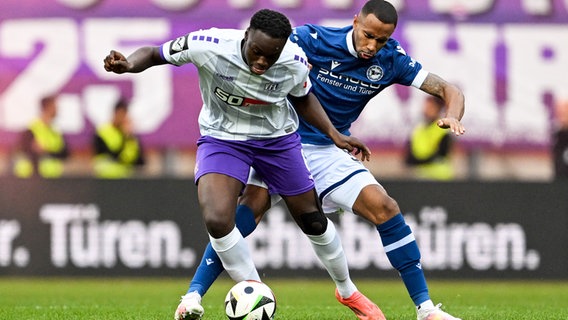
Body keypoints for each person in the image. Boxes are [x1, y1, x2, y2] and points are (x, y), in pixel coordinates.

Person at [182, 1, 466, 320]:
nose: (372, 45)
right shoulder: (312, 39)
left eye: (381, 40)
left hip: (329, 150)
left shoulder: (392, 60)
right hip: (279, 141)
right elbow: (256, 50)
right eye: (368, 35)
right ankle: (192, 295)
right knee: (243, 215)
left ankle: (425, 310)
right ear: (355, 21)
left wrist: (451, 115)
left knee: (385, 207)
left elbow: (447, 88)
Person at [102, 8, 377, 320]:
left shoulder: (294, 60)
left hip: (277, 142)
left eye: (269, 57)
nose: (261, 63)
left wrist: (334, 134)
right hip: (223, 138)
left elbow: (302, 98)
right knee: (218, 219)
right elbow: (154, 54)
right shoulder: (208, 44)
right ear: (246, 36)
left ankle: (346, 290)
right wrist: (128, 64)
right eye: (256, 52)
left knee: (312, 220)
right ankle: (255, 291)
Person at [12, 94, 69, 178]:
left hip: (52, 177)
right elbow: (24, 151)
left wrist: (46, 150)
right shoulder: (32, 129)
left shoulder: (55, 131)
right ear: (47, 107)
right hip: (32, 178)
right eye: (55, 106)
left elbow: (64, 153)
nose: (57, 109)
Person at [93, 97, 145, 178]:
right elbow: (113, 155)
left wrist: (129, 136)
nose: (122, 117)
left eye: (124, 114)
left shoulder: (130, 136)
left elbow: (140, 160)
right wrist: (125, 138)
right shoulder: (103, 132)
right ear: (115, 113)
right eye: (120, 113)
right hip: (106, 177)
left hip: (125, 178)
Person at [404, 96, 455, 180]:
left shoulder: (443, 130)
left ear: (438, 109)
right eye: (425, 107)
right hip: (420, 176)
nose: (426, 110)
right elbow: (409, 154)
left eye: (430, 107)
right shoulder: (418, 129)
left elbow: (441, 154)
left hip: (440, 177)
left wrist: (418, 162)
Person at [552, 98, 568, 180]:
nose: (561, 115)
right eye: (559, 112)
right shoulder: (557, 136)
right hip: (560, 184)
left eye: (564, 111)